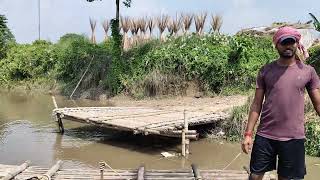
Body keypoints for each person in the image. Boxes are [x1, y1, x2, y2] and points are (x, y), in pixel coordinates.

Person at [241, 26, 320, 180]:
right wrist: (248, 134)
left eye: (291, 42)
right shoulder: (266, 71)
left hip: (293, 137)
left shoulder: (307, 72)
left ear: (297, 43)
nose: (288, 46)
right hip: (266, 135)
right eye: (284, 42)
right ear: (276, 45)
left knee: (286, 177)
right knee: (255, 175)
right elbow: (256, 104)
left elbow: (318, 104)